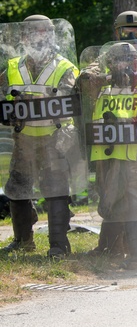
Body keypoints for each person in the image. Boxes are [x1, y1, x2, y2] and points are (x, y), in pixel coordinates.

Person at [0, 15, 81, 258]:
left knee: (56, 190)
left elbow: (73, 103)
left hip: (54, 140)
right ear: (23, 36)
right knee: (16, 189)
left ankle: (58, 244)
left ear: (52, 35)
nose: (40, 36)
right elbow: (2, 100)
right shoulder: (13, 67)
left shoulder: (65, 67)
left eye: (45, 31)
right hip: (23, 140)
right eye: (34, 32)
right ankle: (23, 240)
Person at [82, 42, 137, 269]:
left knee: (135, 202)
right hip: (107, 155)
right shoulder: (102, 88)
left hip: (135, 157)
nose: (124, 65)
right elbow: (83, 81)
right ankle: (109, 248)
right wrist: (106, 73)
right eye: (118, 60)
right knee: (110, 199)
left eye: (128, 60)